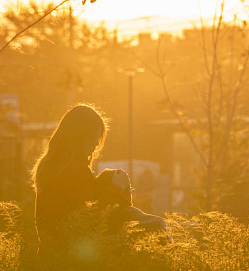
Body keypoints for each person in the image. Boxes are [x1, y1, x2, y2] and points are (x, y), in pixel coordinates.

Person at [32, 104, 169, 248]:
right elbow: (97, 216)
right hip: (75, 248)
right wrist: (116, 188)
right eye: (94, 136)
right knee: (157, 226)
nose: (96, 143)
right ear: (80, 137)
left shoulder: (50, 168)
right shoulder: (75, 171)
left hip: (53, 249)